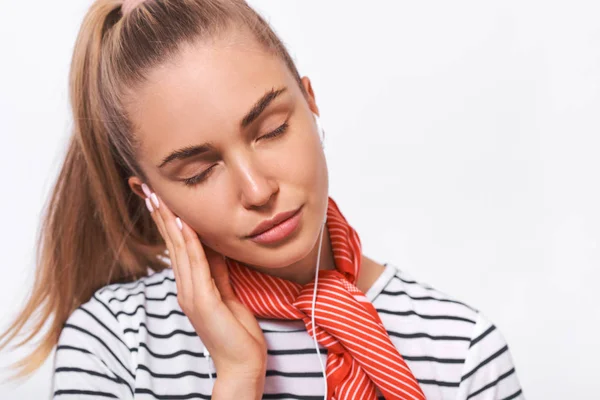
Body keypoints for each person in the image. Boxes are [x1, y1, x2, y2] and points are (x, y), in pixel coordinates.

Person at [0, 0, 525, 399]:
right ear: (152, 196)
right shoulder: (115, 343)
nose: (257, 190)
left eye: (271, 130)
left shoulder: (460, 348)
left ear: (310, 100)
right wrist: (237, 375)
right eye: (200, 171)